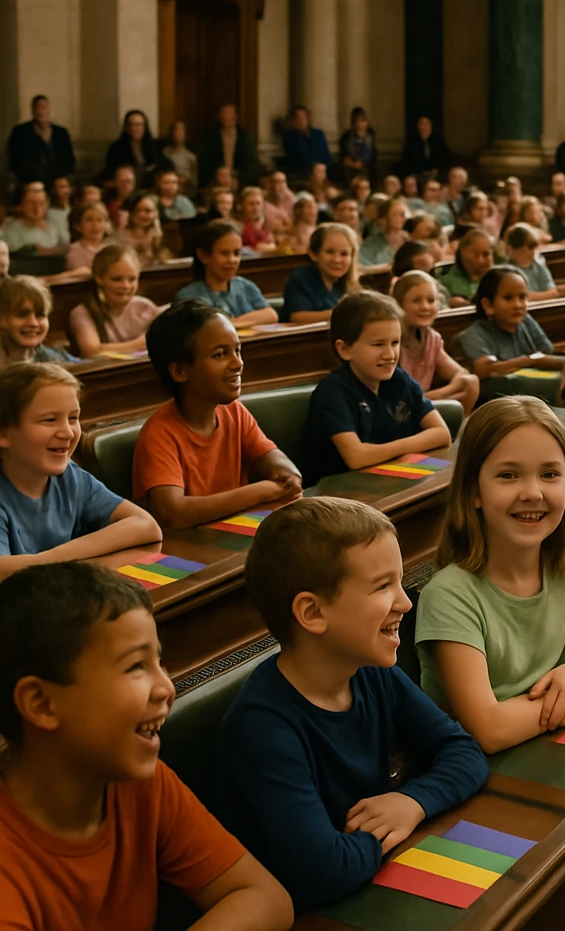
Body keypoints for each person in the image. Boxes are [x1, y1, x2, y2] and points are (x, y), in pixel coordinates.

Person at [214, 499, 488, 911]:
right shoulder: (262, 728)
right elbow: (325, 870)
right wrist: (389, 828)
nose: (406, 602)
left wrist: (412, 803)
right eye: (382, 586)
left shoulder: (368, 670)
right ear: (312, 612)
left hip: (372, 883)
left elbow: (463, 752)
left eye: (400, 582)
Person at [0, 561, 294, 927]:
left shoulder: (137, 779)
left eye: (159, 660)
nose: (166, 687)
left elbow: (264, 898)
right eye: (135, 667)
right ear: (41, 704)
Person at [415, 396, 565, 752]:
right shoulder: (450, 595)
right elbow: (489, 730)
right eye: (508, 475)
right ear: (473, 491)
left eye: (549, 474)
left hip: (539, 748)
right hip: (471, 775)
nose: (532, 492)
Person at [133, 301, 302, 528]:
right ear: (180, 371)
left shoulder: (235, 412)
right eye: (220, 355)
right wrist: (260, 492)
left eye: (237, 350)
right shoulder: (160, 433)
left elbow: (278, 463)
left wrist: (288, 476)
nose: (238, 363)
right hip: (188, 551)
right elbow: (173, 513)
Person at [0, 364, 161, 578]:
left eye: (73, 418)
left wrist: (48, 560)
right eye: (49, 420)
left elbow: (147, 526)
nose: (67, 432)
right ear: (4, 434)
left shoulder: (71, 477)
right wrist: (60, 560)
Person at [303, 291, 452, 483]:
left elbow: (442, 434)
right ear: (345, 350)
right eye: (378, 344)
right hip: (339, 494)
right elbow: (357, 457)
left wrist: (385, 451)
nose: (390, 354)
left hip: (388, 480)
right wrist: (412, 445)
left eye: (395, 343)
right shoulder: (332, 392)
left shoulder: (399, 379)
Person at [457, 267, 565, 381]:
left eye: (522, 297)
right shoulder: (474, 334)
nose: (517, 305)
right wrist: (530, 360)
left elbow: (546, 351)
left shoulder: (526, 321)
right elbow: (486, 369)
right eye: (508, 298)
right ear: (488, 305)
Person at [394, 271, 479, 414]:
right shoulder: (392, 340)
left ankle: (457, 433)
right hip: (400, 409)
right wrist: (445, 393)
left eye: (431, 300)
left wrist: (446, 391)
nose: (425, 307)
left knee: (472, 382)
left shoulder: (430, 338)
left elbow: (462, 374)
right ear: (399, 305)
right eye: (416, 301)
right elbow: (401, 398)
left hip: (425, 402)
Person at [174, 220, 277, 327]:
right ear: (203, 256)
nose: (232, 260)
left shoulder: (245, 286)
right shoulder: (189, 297)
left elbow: (271, 314)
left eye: (236, 253)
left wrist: (230, 324)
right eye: (224, 253)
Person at [67, 244, 162, 358]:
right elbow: (91, 351)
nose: (126, 286)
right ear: (99, 278)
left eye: (132, 279)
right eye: (117, 279)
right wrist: (142, 343)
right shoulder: (82, 312)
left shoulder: (145, 306)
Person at [281, 223, 360, 324]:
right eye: (330, 252)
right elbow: (298, 317)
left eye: (344, 254)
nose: (337, 260)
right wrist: (340, 314)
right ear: (313, 254)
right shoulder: (301, 278)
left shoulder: (349, 282)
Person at [0, 276, 77, 366]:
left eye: (40, 315)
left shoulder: (55, 357)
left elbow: (88, 367)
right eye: (22, 315)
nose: (33, 323)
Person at [5, 94, 76, 186]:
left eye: (44, 107)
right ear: (33, 110)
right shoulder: (20, 132)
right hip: (29, 180)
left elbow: (69, 159)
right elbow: (15, 159)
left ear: (49, 110)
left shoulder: (61, 133)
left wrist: (63, 177)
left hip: (57, 180)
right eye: (38, 107)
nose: (41, 111)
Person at [197, 103, 260, 189]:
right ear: (219, 116)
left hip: (240, 181)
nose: (227, 116)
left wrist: (237, 179)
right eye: (224, 113)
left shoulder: (245, 137)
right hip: (216, 182)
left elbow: (251, 163)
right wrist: (220, 177)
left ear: (235, 116)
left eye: (230, 113)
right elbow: (205, 162)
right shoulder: (210, 137)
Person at [0, 182, 67, 258]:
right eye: (31, 203)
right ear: (20, 206)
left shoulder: (53, 229)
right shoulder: (10, 229)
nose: (37, 208)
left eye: (41, 203)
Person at [102, 110, 162, 184]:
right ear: (126, 127)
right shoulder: (116, 147)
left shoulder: (155, 145)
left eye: (138, 125)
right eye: (130, 125)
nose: (133, 128)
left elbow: (163, 165)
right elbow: (111, 169)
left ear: (144, 127)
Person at [438, 227, 494, 306]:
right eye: (476, 254)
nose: (480, 260)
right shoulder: (444, 283)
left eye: (486, 254)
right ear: (462, 252)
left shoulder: (501, 281)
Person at [503, 223, 558, 301]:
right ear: (512, 249)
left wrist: (531, 296)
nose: (532, 252)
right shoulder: (506, 271)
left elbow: (554, 293)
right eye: (530, 247)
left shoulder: (538, 264)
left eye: (533, 246)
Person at [62, 202, 113, 276]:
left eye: (99, 220)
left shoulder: (112, 247)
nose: (96, 225)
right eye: (89, 220)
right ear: (77, 226)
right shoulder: (75, 251)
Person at [281, 104, 333, 174]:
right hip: (303, 172)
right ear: (293, 121)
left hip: (323, 170)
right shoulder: (290, 138)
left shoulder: (318, 134)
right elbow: (295, 160)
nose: (302, 121)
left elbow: (326, 154)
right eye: (298, 118)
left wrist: (324, 167)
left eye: (304, 118)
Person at [360, 196, 408, 267]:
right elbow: (364, 265)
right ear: (383, 218)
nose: (402, 218)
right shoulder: (371, 243)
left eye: (403, 214)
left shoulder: (408, 240)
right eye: (396, 214)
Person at [338, 106, 378, 185]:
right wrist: (352, 164)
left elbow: (374, 158)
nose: (360, 124)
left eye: (362, 121)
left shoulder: (371, 136)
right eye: (357, 121)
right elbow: (344, 157)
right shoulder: (346, 138)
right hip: (351, 171)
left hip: (368, 170)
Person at [161, 119, 198, 194]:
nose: (179, 133)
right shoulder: (164, 153)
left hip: (186, 191)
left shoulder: (191, 156)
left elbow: (195, 181)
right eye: (176, 130)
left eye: (182, 130)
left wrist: (186, 180)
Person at [235, 187, 276, 254]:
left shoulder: (266, 226)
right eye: (251, 204)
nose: (255, 208)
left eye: (258, 204)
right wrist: (256, 249)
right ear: (240, 206)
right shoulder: (237, 228)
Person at [262, 171, 295, 236]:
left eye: (282, 182)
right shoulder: (262, 201)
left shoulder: (292, 200)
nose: (277, 186)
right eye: (274, 182)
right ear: (269, 184)